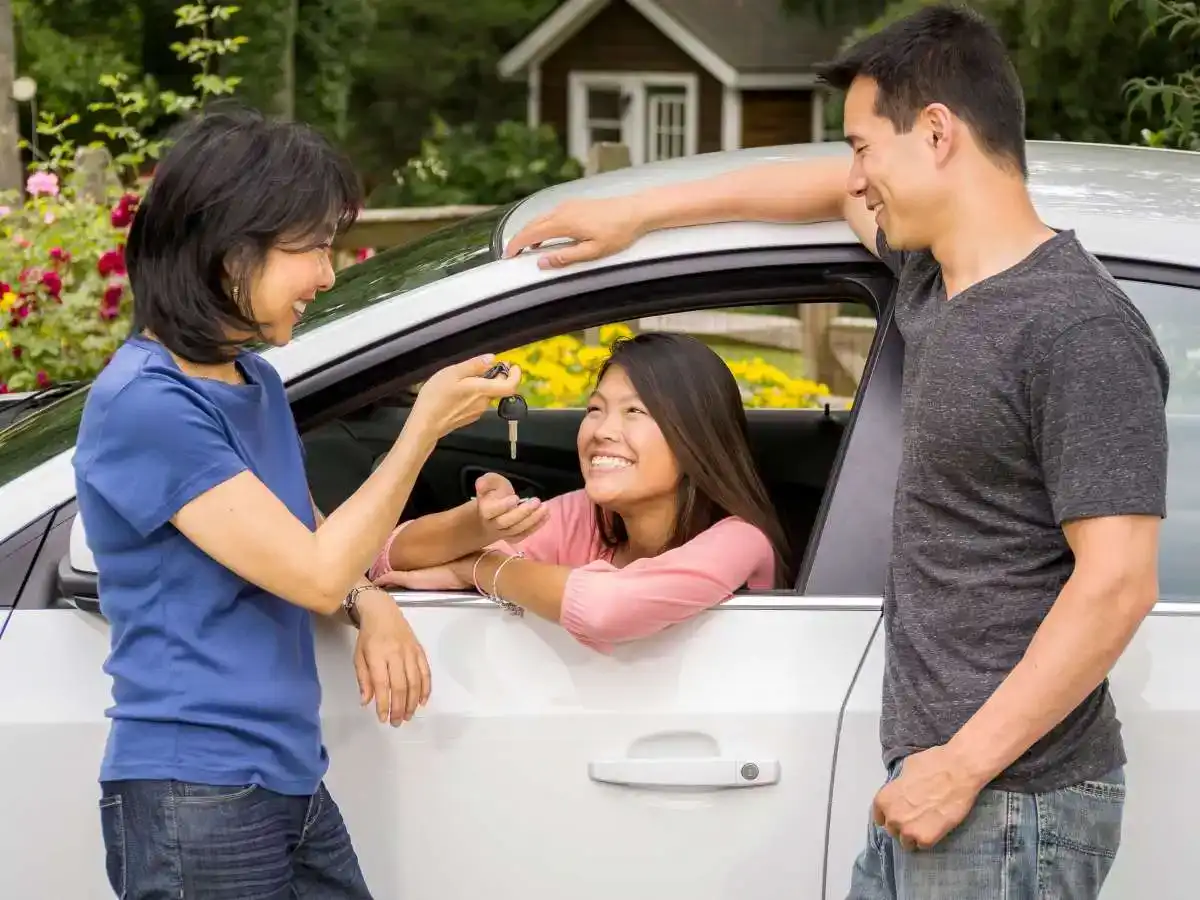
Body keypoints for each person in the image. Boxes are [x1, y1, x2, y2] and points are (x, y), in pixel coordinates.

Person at [503, 6, 1169, 899]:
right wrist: (633, 214)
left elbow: (1119, 581)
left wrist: (960, 766)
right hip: (943, 790)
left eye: (864, 147)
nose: (856, 175)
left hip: (1011, 800)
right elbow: (823, 189)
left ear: (937, 134)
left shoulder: (1077, 328)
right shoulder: (935, 282)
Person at [72, 106, 522, 900]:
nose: (327, 275)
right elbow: (313, 575)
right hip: (197, 792)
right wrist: (420, 431)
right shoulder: (148, 404)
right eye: (310, 248)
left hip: (281, 776)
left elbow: (308, 543)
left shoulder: (256, 383)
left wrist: (370, 603)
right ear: (224, 250)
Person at [369, 332, 790, 652]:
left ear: (695, 438)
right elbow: (383, 554)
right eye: (595, 409)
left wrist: (474, 569)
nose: (602, 432)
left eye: (634, 412)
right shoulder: (587, 516)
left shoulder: (742, 541)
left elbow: (606, 610)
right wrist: (476, 525)